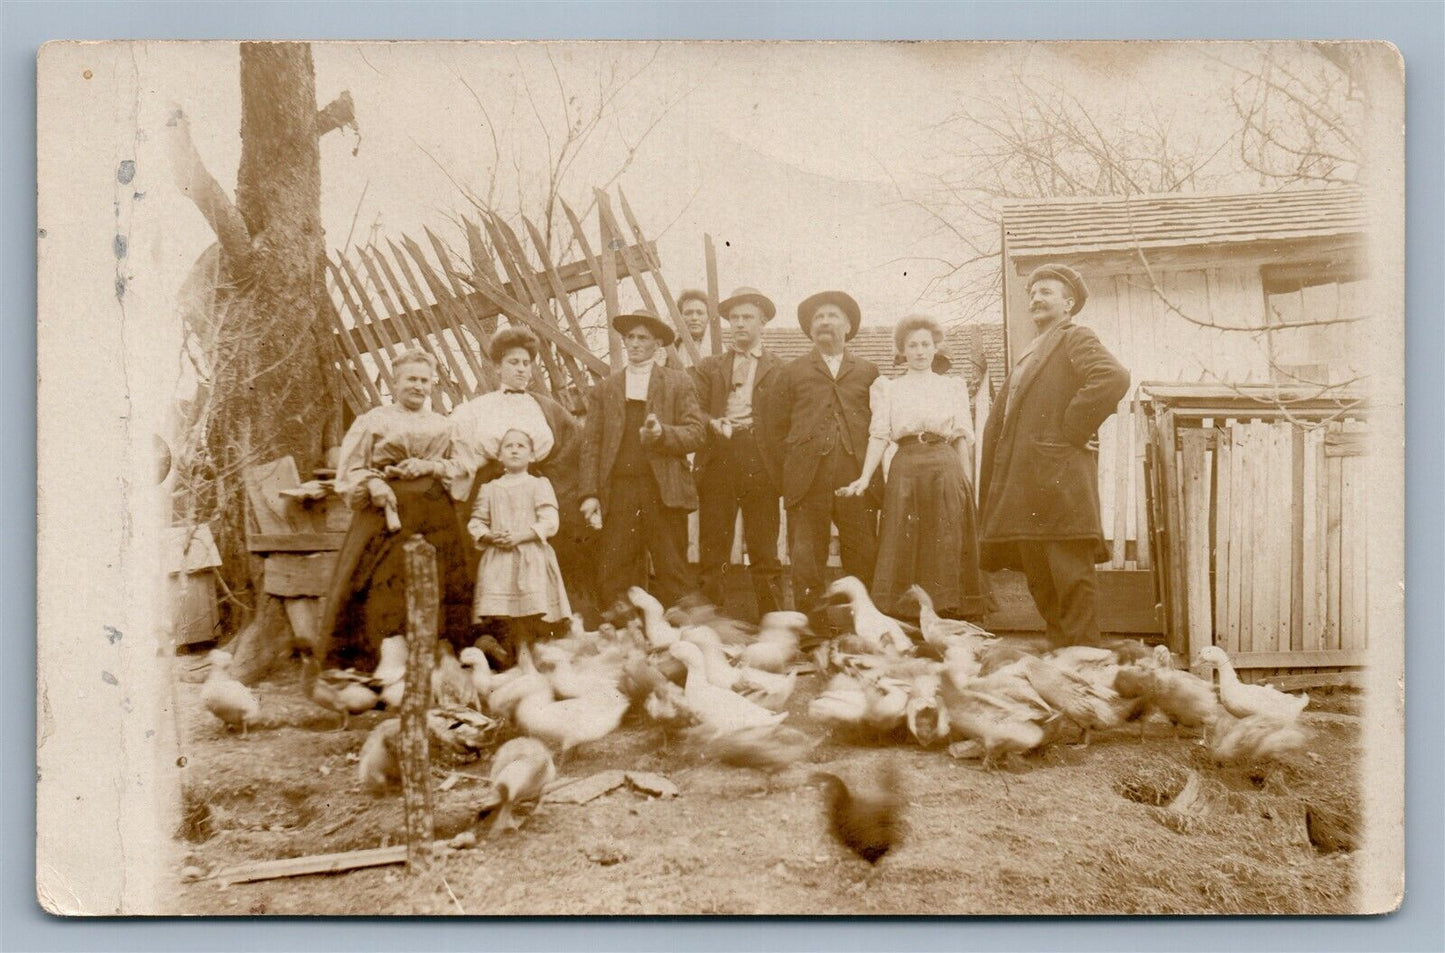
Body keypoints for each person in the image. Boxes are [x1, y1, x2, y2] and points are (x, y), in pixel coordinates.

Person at [978, 264, 1130, 647]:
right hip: (1027, 489)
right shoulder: (1029, 350)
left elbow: (1112, 377)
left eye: (1046, 291)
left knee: (1071, 582)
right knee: (1041, 584)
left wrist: (1073, 429)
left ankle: (1085, 666)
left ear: (1069, 303)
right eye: (1032, 293)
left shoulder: (1074, 337)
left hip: (1061, 484)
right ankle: (1063, 668)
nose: (1036, 298)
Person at [316, 348, 473, 669]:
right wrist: (373, 484)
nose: (418, 386)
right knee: (383, 584)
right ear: (395, 381)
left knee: (437, 583)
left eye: (425, 380)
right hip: (385, 515)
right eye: (411, 379)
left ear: (433, 384)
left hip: (434, 515)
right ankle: (380, 662)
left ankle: (431, 661)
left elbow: (463, 466)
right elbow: (351, 470)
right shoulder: (374, 421)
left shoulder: (444, 425)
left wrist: (430, 467)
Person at [839, 315, 989, 620]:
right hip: (905, 467)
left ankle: (949, 613)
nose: (920, 351)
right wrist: (865, 477)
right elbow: (879, 435)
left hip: (944, 464)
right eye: (912, 345)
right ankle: (907, 616)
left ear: (936, 348)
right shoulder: (888, 388)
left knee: (946, 536)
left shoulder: (952, 386)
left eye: (926, 344)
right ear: (902, 351)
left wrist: (965, 481)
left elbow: (961, 436)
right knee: (904, 537)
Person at [449, 327, 596, 633]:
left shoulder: (546, 407)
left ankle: (545, 628)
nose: (520, 368)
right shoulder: (477, 409)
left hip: (536, 490)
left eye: (526, 363)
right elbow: (461, 454)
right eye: (513, 362)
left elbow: (573, 449)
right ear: (497, 367)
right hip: (495, 495)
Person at [761, 290, 879, 612]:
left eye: (832, 316)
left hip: (854, 478)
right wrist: (788, 477)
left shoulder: (869, 372)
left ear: (848, 326)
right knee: (806, 559)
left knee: (864, 553)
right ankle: (813, 632)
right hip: (806, 479)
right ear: (810, 330)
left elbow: (882, 428)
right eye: (818, 318)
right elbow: (772, 432)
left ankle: (860, 625)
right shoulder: (791, 372)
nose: (824, 322)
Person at [579, 310, 706, 609]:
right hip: (620, 492)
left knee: (673, 571)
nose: (635, 344)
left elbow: (696, 434)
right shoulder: (605, 389)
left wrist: (663, 434)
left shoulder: (678, 383)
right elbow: (591, 446)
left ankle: (679, 640)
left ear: (657, 344)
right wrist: (589, 494)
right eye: (630, 338)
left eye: (643, 338)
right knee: (614, 570)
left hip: (663, 492)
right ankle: (623, 640)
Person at [690, 286, 785, 618]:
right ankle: (707, 622)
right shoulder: (710, 366)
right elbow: (694, 410)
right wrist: (713, 423)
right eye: (734, 318)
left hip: (760, 459)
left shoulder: (780, 369)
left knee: (764, 546)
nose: (740, 324)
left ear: (763, 323)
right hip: (720, 455)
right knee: (713, 544)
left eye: (748, 317)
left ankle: (772, 621)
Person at [468, 429, 571, 656]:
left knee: (532, 610)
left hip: (531, 555)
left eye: (521, 446)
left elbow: (550, 522)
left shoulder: (539, 485)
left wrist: (520, 536)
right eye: (509, 446)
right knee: (503, 614)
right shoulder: (489, 488)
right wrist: (490, 536)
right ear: (500, 456)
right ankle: (508, 653)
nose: (514, 450)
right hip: (500, 558)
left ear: (532, 456)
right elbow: (476, 522)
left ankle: (533, 651)